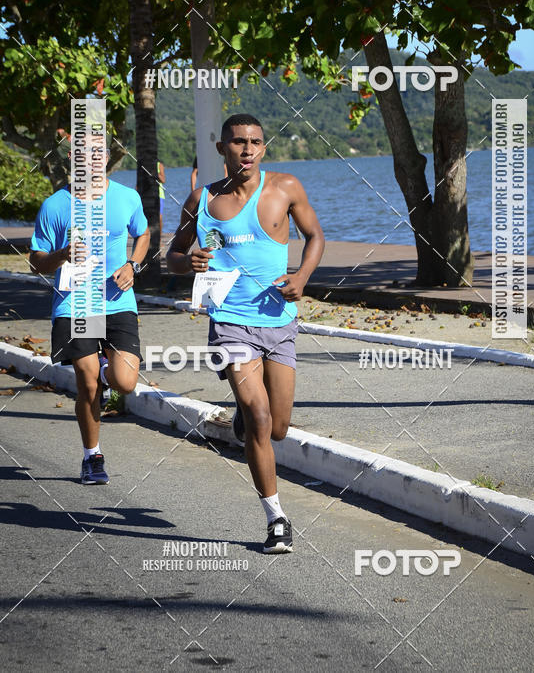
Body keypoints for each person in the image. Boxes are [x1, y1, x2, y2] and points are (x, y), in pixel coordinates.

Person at [167, 114, 324, 553]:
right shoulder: (202, 199)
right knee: (258, 419)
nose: (248, 149)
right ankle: (277, 519)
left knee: (277, 428)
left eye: (256, 142)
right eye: (239, 142)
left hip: (279, 321)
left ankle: (245, 411)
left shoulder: (285, 188)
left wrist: (303, 276)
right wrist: (189, 262)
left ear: (264, 148)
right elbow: (174, 257)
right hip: (230, 323)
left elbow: (314, 236)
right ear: (222, 148)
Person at [30, 136, 150, 485]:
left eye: (99, 153)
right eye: (84, 153)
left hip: (117, 300)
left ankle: (105, 373)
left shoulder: (127, 197)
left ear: (108, 157)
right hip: (75, 302)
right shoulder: (55, 206)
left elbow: (142, 235)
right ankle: (92, 456)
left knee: (125, 382)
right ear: (72, 157)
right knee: (86, 380)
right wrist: (61, 255)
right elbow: (37, 262)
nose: (92, 159)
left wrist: (133, 265)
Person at [157, 159, 166, 235]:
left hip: (159, 194)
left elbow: (163, 180)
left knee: (159, 217)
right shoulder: (143, 165)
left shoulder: (159, 164)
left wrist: (156, 173)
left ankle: (158, 238)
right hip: (146, 194)